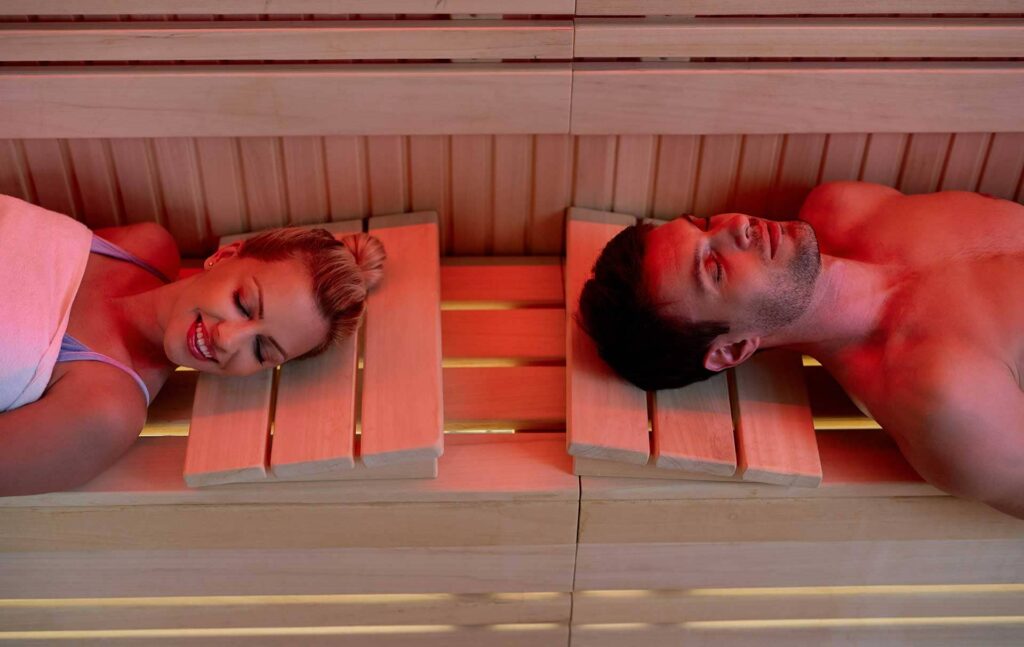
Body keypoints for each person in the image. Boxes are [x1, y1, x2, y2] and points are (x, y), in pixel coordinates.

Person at [578, 181, 1023, 519]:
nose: (738, 226)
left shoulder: (842, 207)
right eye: (714, 267)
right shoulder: (944, 398)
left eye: (706, 223)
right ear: (733, 349)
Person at [0, 195, 385, 496]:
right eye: (242, 303)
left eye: (261, 350)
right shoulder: (146, 244)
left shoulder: (105, 410)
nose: (228, 339)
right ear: (225, 256)